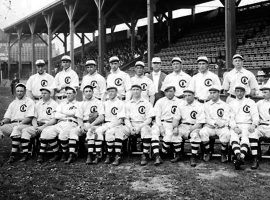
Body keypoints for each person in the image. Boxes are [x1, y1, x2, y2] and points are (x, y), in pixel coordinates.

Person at [11, 87, 58, 162]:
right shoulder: (38, 103)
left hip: (49, 125)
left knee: (46, 132)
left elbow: (54, 119)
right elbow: (34, 117)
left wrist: (43, 127)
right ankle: (25, 154)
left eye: (45, 93)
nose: (43, 95)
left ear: (50, 94)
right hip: (38, 125)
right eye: (42, 93)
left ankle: (42, 154)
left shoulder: (54, 104)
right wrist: (35, 126)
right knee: (25, 131)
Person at [38, 86, 79, 163]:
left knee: (63, 135)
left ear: (74, 94)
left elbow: (75, 114)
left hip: (71, 123)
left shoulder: (78, 104)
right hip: (60, 123)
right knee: (47, 131)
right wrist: (67, 114)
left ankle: (65, 153)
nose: (68, 95)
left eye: (70, 93)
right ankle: (57, 153)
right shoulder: (62, 104)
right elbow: (56, 115)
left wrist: (63, 113)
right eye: (67, 93)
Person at [66, 85, 104, 164]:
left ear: (93, 92)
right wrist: (82, 126)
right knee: (73, 131)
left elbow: (101, 117)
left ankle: (90, 155)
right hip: (84, 123)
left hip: (95, 124)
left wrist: (91, 125)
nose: (88, 93)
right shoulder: (81, 103)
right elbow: (79, 118)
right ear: (83, 93)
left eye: (90, 91)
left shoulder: (98, 102)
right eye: (86, 91)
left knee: (91, 131)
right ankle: (71, 155)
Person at [0, 83, 35, 163]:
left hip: (25, 124)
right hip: (13, 123)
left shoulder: (29, 102)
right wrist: (2, 122)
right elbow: (7, 117)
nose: (19, 93)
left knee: (16, 128)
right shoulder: (13, 103)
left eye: (21, 91)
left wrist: (20, 124)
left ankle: (13, 154)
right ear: (15, 91)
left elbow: (29, 117)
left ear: (25, 91)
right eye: (18, 91)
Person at [172, 89, 205, 167]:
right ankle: (178, 154)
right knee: (175, 134)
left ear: (194, 95)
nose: (187, 97)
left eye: (189, 95)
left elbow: (200, 123)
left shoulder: (199, 105)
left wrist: (190, 130)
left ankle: (193, 156)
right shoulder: (181, 105)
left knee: (195, 136)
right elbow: (176, 118)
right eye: (185, 96)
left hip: (195, 126)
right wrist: (175, 127)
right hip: (184, 125)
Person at [95, 86, 127, 165]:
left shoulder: (121, 103)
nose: (111, 93)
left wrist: (110, 126)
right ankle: (98, 155)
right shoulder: (105, 103)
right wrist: (103, 95)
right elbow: (101, 114)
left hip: (117, 124)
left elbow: (121, 120)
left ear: (116, 93)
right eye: (109, 91)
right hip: (107, 123)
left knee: (109, 132)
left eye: (112, 91)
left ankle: (114, 155)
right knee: (98, 131)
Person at [229, 86, 259, 170]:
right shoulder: (232, 103)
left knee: (246, 137)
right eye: (237, 91)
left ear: (245, 92)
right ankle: (240, 156)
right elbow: (230, 118)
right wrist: (234, 127)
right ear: (235, 92)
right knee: (234, 137)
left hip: (248, 124)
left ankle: (252, 158)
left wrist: (253, 125)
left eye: (241, 91)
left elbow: (255, 116)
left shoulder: (250, 102)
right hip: (236, 125)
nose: (239, 93)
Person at [151, 86, 183, 164]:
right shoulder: (160, 101)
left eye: (171, 91)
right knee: (154, 133)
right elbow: (157, 116)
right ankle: (157, 156)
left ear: (174, 92)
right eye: (167, 91)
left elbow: (179, 116)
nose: (169, 93)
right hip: (160, 122)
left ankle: (162, 152)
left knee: (168, 137)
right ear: (164, 92)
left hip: (171, 123)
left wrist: (175, 126)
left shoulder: (179, 101)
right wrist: (160, 127)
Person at [199, 86, 231, 163]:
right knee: (203, 132)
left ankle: (223, 153)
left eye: (214, 93)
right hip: (210, 126)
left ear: (219, 93)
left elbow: (227, 117)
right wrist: (214, 123)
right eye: (211, 93)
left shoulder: (225, 105)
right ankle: (208, 152)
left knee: (226, 133)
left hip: (221, 127)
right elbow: (206, 117)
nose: (212, 95)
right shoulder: (206, 105)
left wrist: (222, 123)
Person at [124, 84, 154, 166]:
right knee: (120, 130)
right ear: (131, 91)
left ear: (141, 91)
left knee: (146, 130)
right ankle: (120, 154)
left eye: (137, 89)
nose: (135, 91)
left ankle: (144, 154)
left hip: (143, 124)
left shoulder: (147, 103)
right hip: (131, 124)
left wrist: (140, 127)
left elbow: (149, 119)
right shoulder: (127, 104)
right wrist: (130, 127)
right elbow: (126, 118)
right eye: (133, 89)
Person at [249, 84, 270, 169]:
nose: (263, 94)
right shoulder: (259, 103)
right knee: (253, 134)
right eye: (263, 92)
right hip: (261, 125)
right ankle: (255, 158)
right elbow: (253, 113)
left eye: (265, 92)